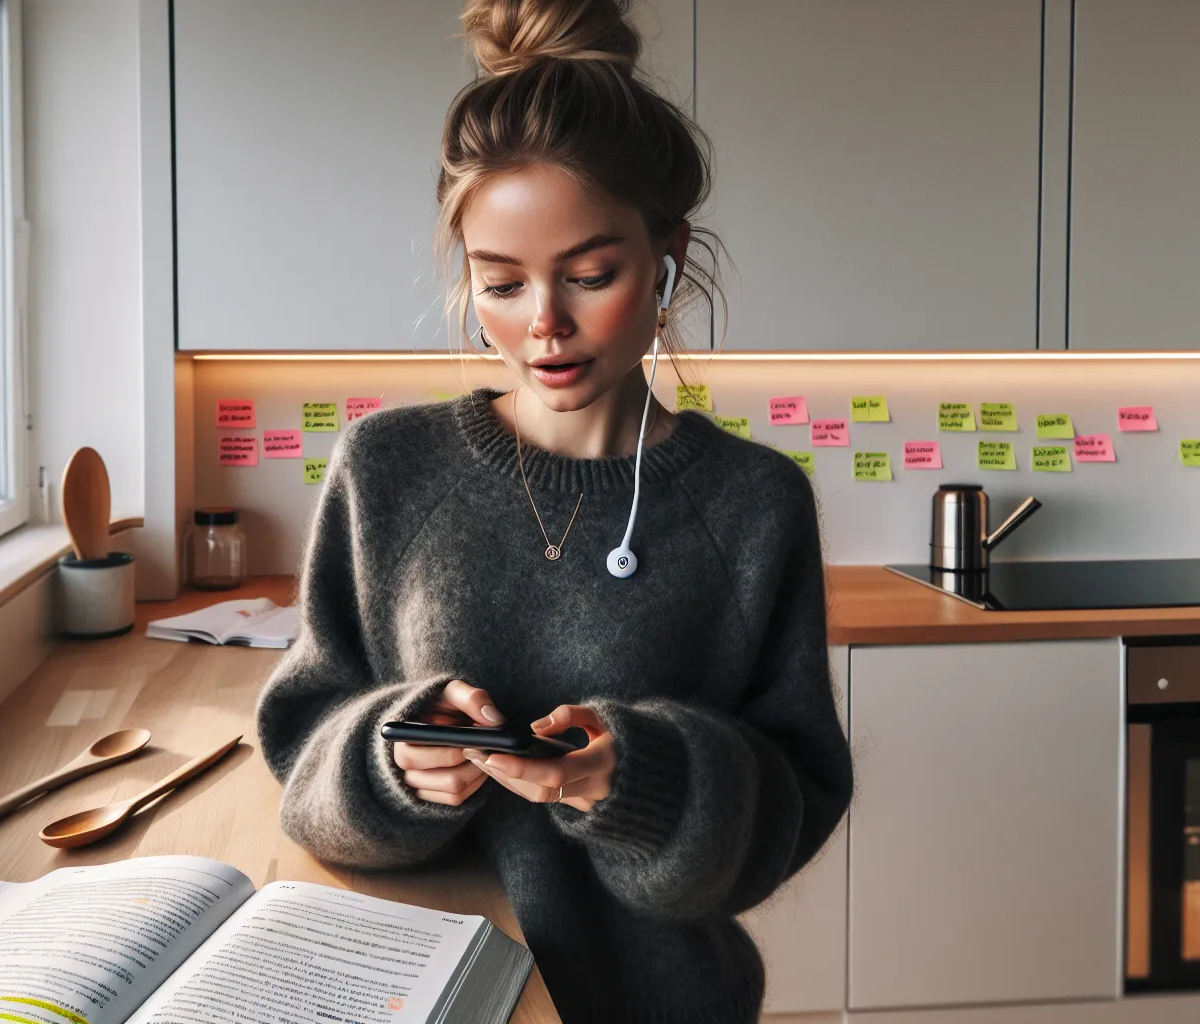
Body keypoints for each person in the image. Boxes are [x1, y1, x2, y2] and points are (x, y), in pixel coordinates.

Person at [254, 1, 854, 1020]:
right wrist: (392, 758)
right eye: (500, 282)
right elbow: (303, 755)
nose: (542, 324)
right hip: (417, 996)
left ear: (667, 257)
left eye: (589, 274)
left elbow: (788, 811)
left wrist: (644, 780)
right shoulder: (387, 467)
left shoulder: (752, 505)